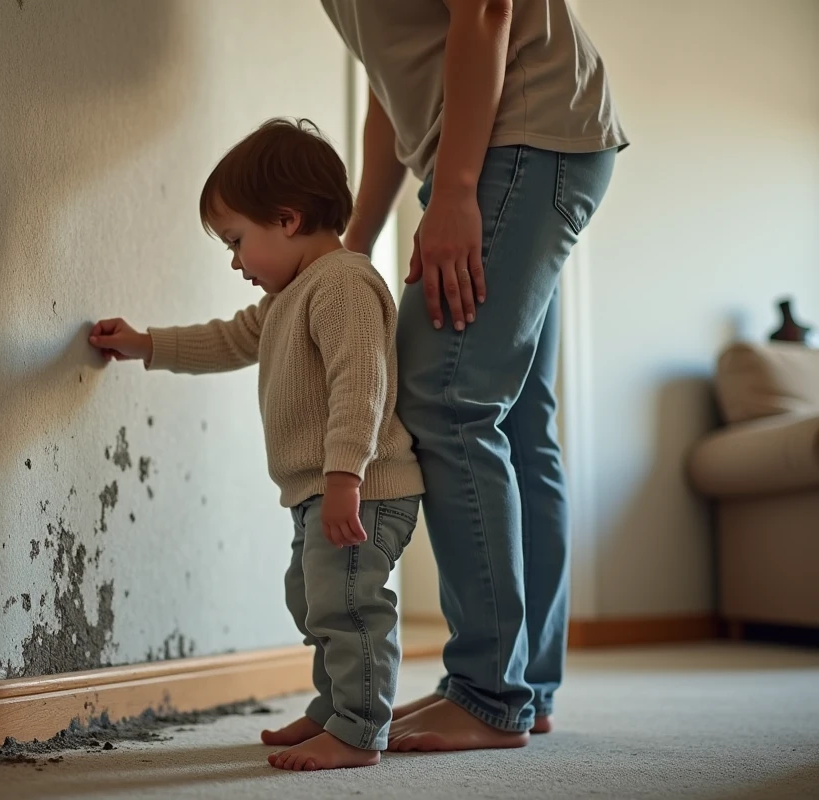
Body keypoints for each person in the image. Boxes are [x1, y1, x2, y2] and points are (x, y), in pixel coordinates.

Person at [318, 0, 628, 751]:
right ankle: (523, 684)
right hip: (525, 137)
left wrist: (456, 189)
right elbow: (392, 89)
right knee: (518, 421)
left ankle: (489, 692)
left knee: (448, 398)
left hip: (516, 134)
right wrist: (357, 241)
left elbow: (487, 9)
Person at [88, 119, 425, 771]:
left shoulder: (343, 283)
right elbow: (226, 340)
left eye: (237, 241)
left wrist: (345, 477)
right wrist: (146, 344)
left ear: (288, 219)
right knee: (313, 599)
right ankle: (333, 708)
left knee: (347, 605)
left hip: (362, 490)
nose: (235, 261)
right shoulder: (288, 298)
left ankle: (359, 731)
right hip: (321, 491)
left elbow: (361, 384)